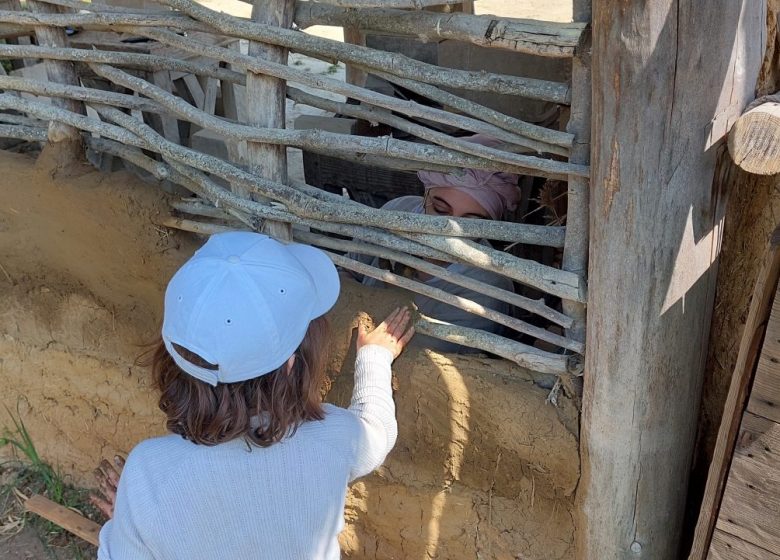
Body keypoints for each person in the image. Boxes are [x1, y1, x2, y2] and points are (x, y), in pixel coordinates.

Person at [91, 231, 414, 560]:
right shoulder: (334, 438)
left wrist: (131, 524)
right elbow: (377, 429)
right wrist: (375, 359)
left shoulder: (148, 471)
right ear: (291, 364)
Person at [345, 135, 519, 354]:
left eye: (471, 223)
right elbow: (347, 272)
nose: (449, 231)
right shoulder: (398, 212)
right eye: (440, 210)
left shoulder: (484, 289)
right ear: (426, 195)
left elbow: (425, 366)